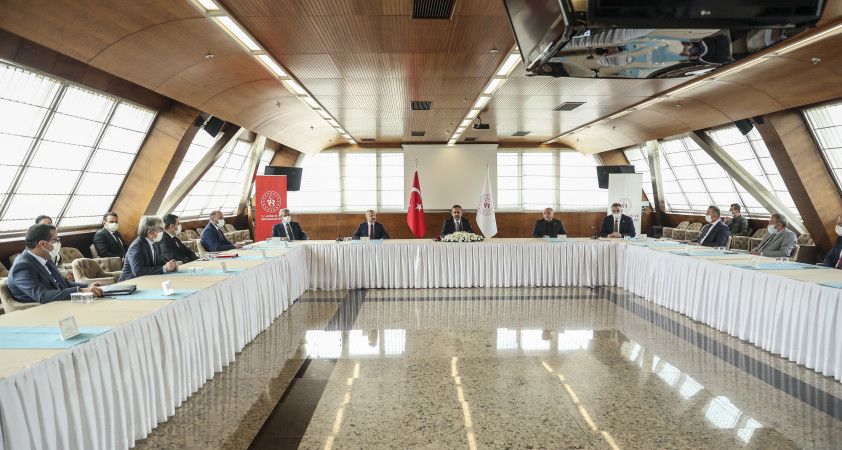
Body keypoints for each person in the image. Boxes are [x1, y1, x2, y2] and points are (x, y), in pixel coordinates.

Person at [7, 224, 103, 303]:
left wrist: (88, 286)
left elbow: (63, 283)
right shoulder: (22, 266)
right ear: (42, 244)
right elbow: (42, 296)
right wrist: (80, 291)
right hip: (40, 311)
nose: (59, 243)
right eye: (56, 240)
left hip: (60, 303)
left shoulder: (45, 257)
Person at [119, 216, 178, 282]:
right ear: (150, 232)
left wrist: (171, 265)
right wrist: (164, 268)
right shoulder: (136, 246)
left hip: (146, 280)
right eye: (161, 229)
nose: (163, 231)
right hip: (129, 283)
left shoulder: (155, 243)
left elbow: (158, 263)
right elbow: (138, 271)